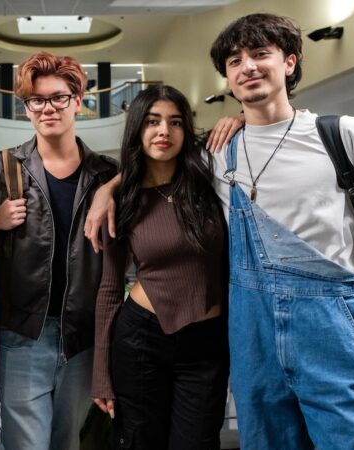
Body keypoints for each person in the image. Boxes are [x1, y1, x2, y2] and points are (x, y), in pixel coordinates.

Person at [86, 13, 354, 450]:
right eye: (235, 61)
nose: (248, 67)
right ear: (227, 77)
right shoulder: (216, 155)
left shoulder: (343, 136)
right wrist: (107, 189)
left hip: (335, 334)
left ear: (290, 62)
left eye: (261, 54)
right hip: (253, 341)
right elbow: (153, 163)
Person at [0, 51, 119, 450]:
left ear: (78, 101)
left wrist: (114, 185)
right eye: (37, 100)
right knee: (26, 444)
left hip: (82, 335)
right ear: (26, 108)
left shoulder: (106, 174)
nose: (48, 108)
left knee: (67, 440)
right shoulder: (3, 168)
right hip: (21, 333)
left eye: (59, 97)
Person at [92, 84, 229, 449]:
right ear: (137, 128)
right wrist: (101, 374)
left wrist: (238, 118)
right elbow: (109, 289)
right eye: (152, 121)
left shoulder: (210, 181)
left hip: (205, 343)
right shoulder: (122, 200)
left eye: (175, 122)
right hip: (141, 338)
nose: (164, 131)